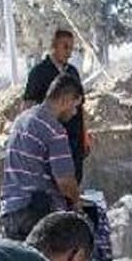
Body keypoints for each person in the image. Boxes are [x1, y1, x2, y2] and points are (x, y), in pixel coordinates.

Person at [0, 74, 84, 242]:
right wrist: (77, 203)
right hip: (35, 215)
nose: (75, 113)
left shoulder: (21, 120)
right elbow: (65, 182)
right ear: (65, 99)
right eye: (75, 106)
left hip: (10, 210)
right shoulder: (54, 130)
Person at [23, 28, 89, 184]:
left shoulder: (73, 72)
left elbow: (80, 108)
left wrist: (84, 135)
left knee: (74, 180)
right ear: (54, 46)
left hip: (73, 139)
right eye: (65, 47)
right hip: (49, 141)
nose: (69, 52)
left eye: (71, 48)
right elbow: (28, 106)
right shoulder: (38, 73)